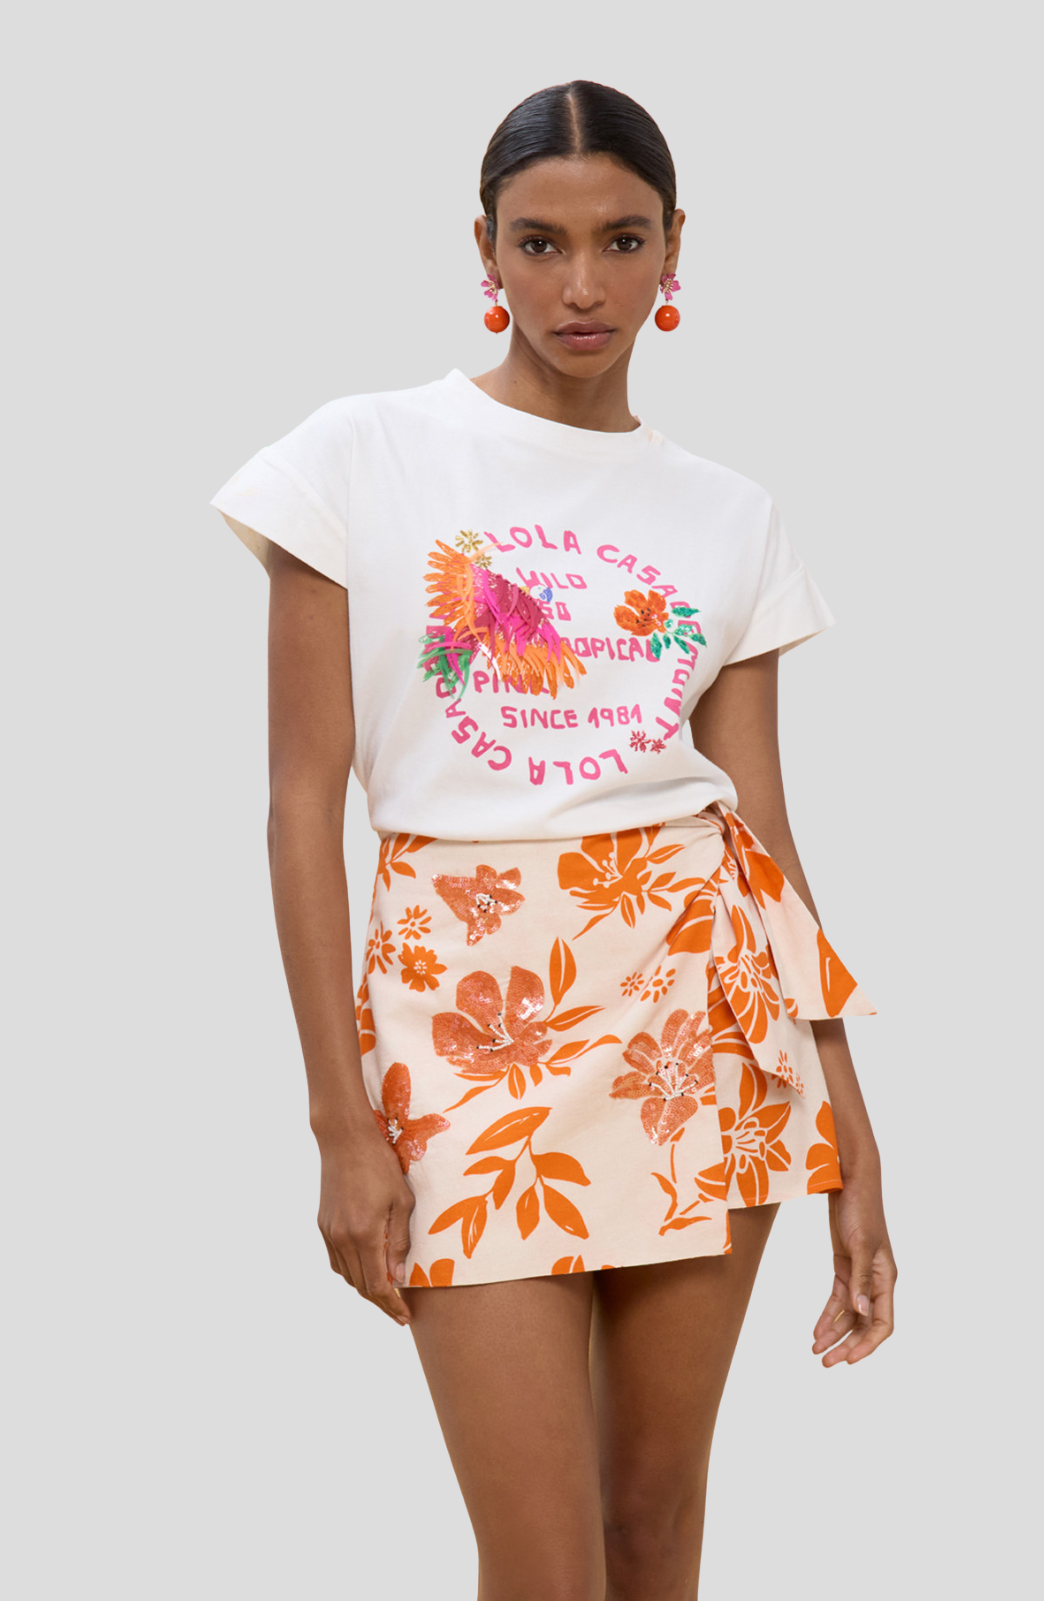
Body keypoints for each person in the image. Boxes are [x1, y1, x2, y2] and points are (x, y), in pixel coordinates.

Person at [211, 79, 896, 1601]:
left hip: (700, 1020)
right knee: (540, 1560)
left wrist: (850, 1123)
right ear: (485, 250)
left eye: (620, 241)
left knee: (652, 1530)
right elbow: (300, 803)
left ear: (673, 251)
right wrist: (339, 1122)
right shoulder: (357, 455)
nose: (581, 285)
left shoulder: (729, 515)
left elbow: (763, 829)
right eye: (539, 243)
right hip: (466, 1024)